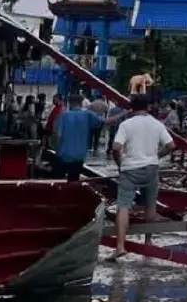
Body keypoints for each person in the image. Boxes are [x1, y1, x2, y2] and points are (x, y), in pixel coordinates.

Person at [111, 94, 173, 259]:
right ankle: (148, 242)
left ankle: (120, 246)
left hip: (130, 168)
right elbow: (171, 145)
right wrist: (157, 156)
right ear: (149, 107)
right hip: (151, 168)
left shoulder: (126, 124)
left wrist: (120, 163)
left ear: (131, 108)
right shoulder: (157, 124)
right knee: (150, 205)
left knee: (123, 206)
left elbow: (116, 146)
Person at [52, 94, 101, 181]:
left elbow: (58, 135)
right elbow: (106, 121)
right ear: (81, 102)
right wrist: (124, 112)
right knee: (74, 180)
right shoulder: (88, 114)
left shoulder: (63, 115)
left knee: (58, 180)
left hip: (63, 154)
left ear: (70, 103)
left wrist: (56, 148)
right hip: (79, 155)